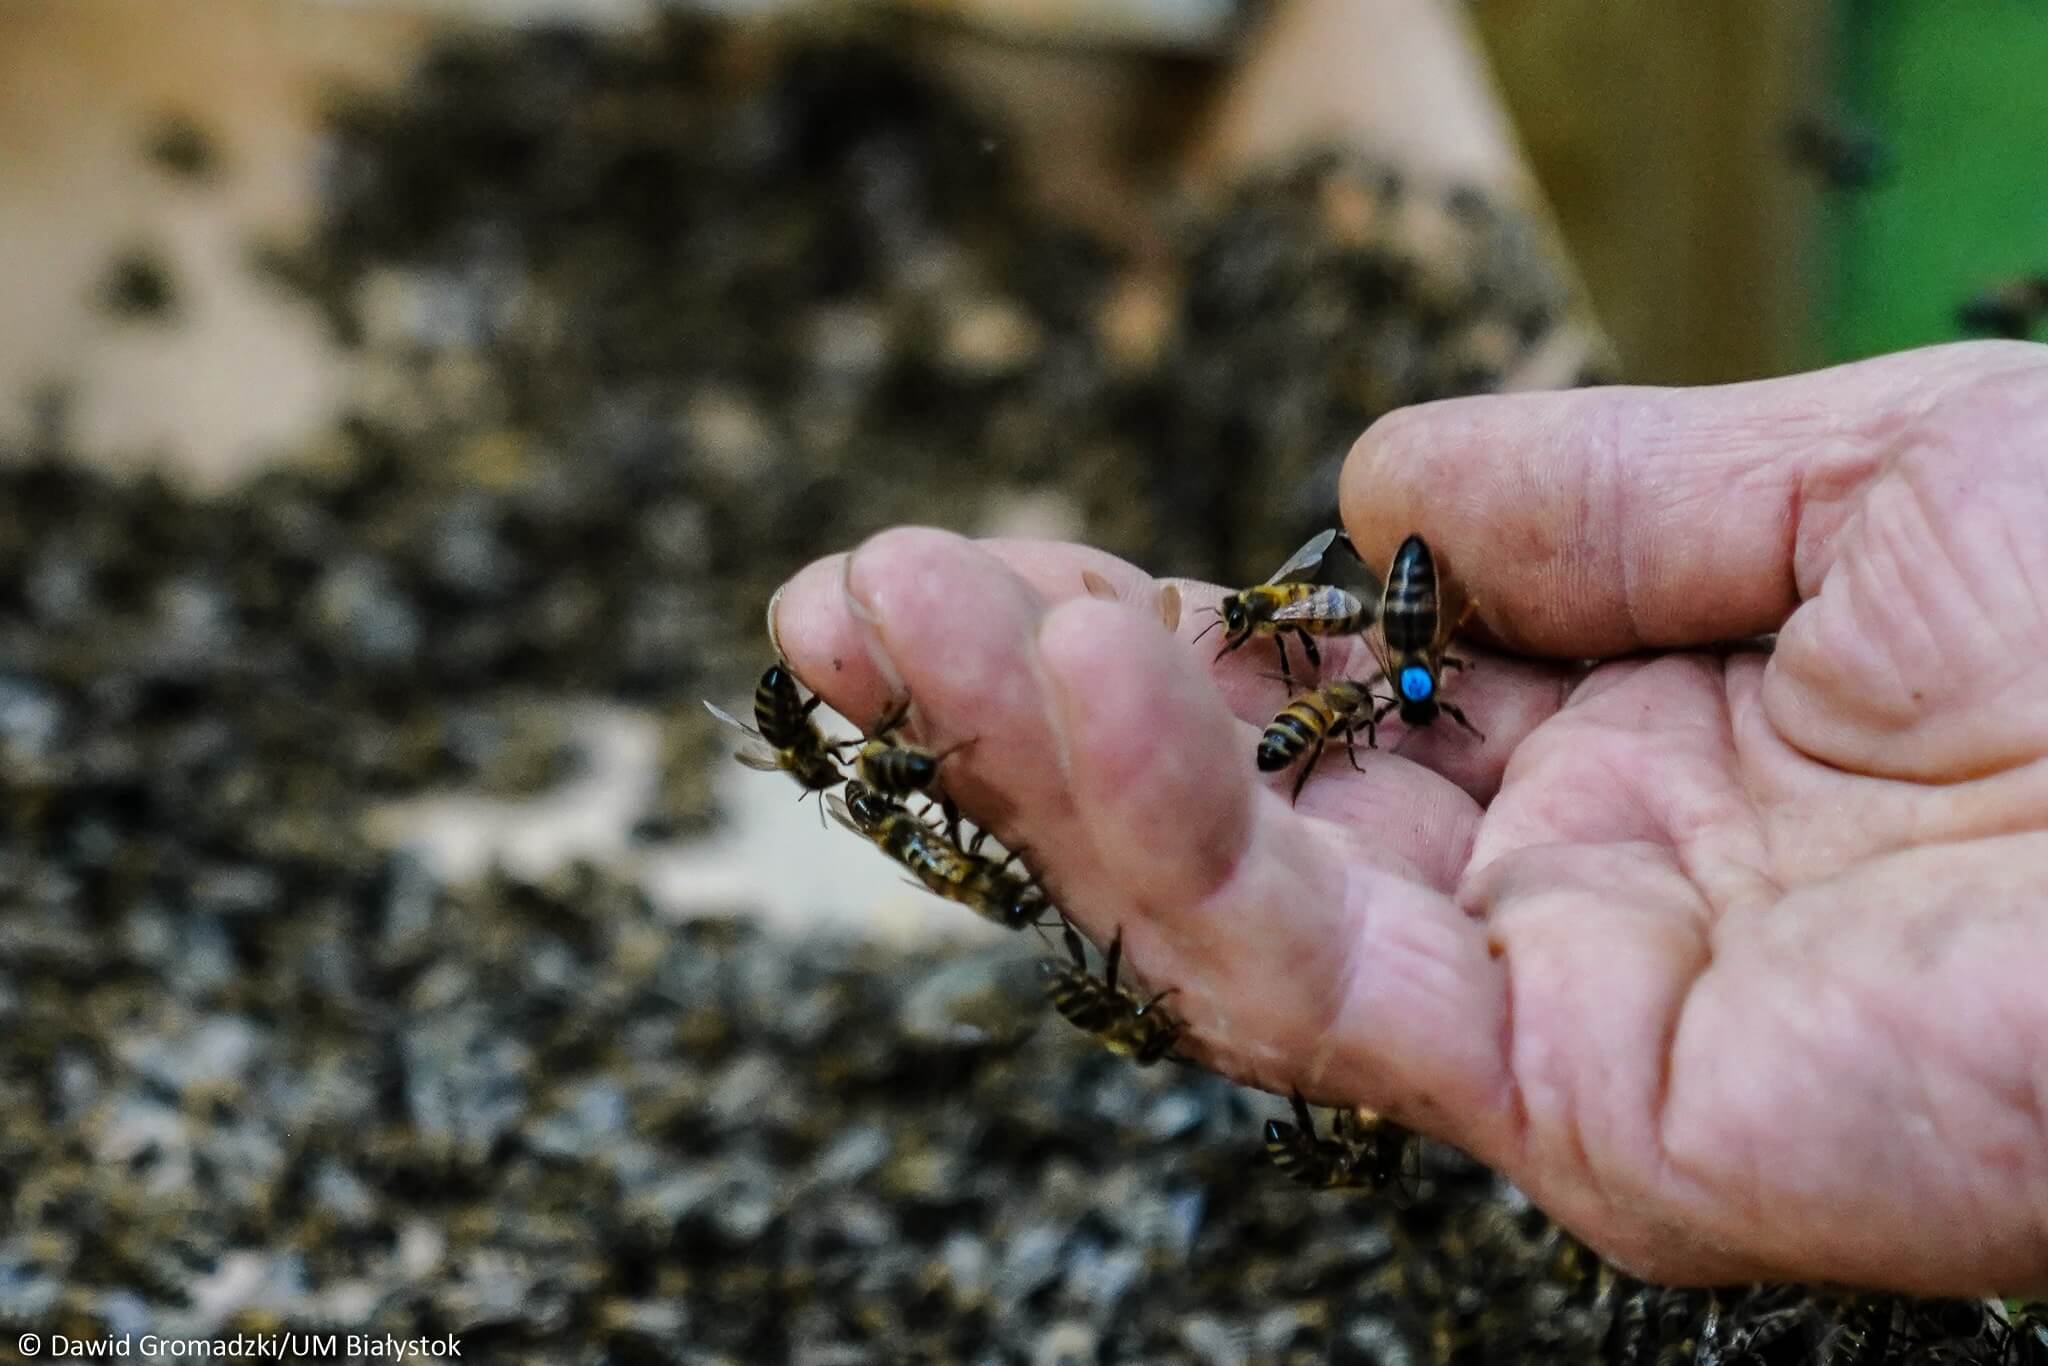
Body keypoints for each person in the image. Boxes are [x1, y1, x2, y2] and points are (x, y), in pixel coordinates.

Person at [770, 339, 2048, 1295]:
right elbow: (1395, 662)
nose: (1414, 695)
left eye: (1415, 687)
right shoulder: (1381, 671)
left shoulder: (1410, 671)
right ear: (1403, 667)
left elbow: (1417, 658)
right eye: (1411, 688)